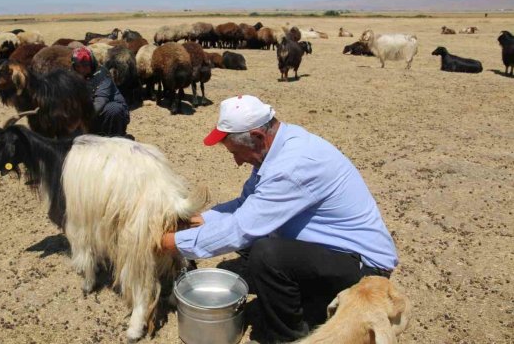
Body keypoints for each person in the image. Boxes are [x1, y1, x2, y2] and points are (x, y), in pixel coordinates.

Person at [161, 95, 399, 343]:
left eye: (237, 152)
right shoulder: (277, 145)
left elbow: (241, 229)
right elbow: (246, 204)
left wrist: (168, 243)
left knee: (266, 254)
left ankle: (289, 335)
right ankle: (304, 297)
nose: (237, 161)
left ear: (257, 137)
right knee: (254, 244)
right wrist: (202, 220)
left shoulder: (292, 166)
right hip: (331, 249)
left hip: (364, 268)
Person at [71, 47, 131, 138]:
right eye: (78, 66)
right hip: (88, 114)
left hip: (106, 114)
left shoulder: (102, 75)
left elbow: (100, 101)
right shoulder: (72, 76)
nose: (81, 70)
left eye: (85, 66)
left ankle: (114, 137)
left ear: (92, 64)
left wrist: (82, 119)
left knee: (113, 109)